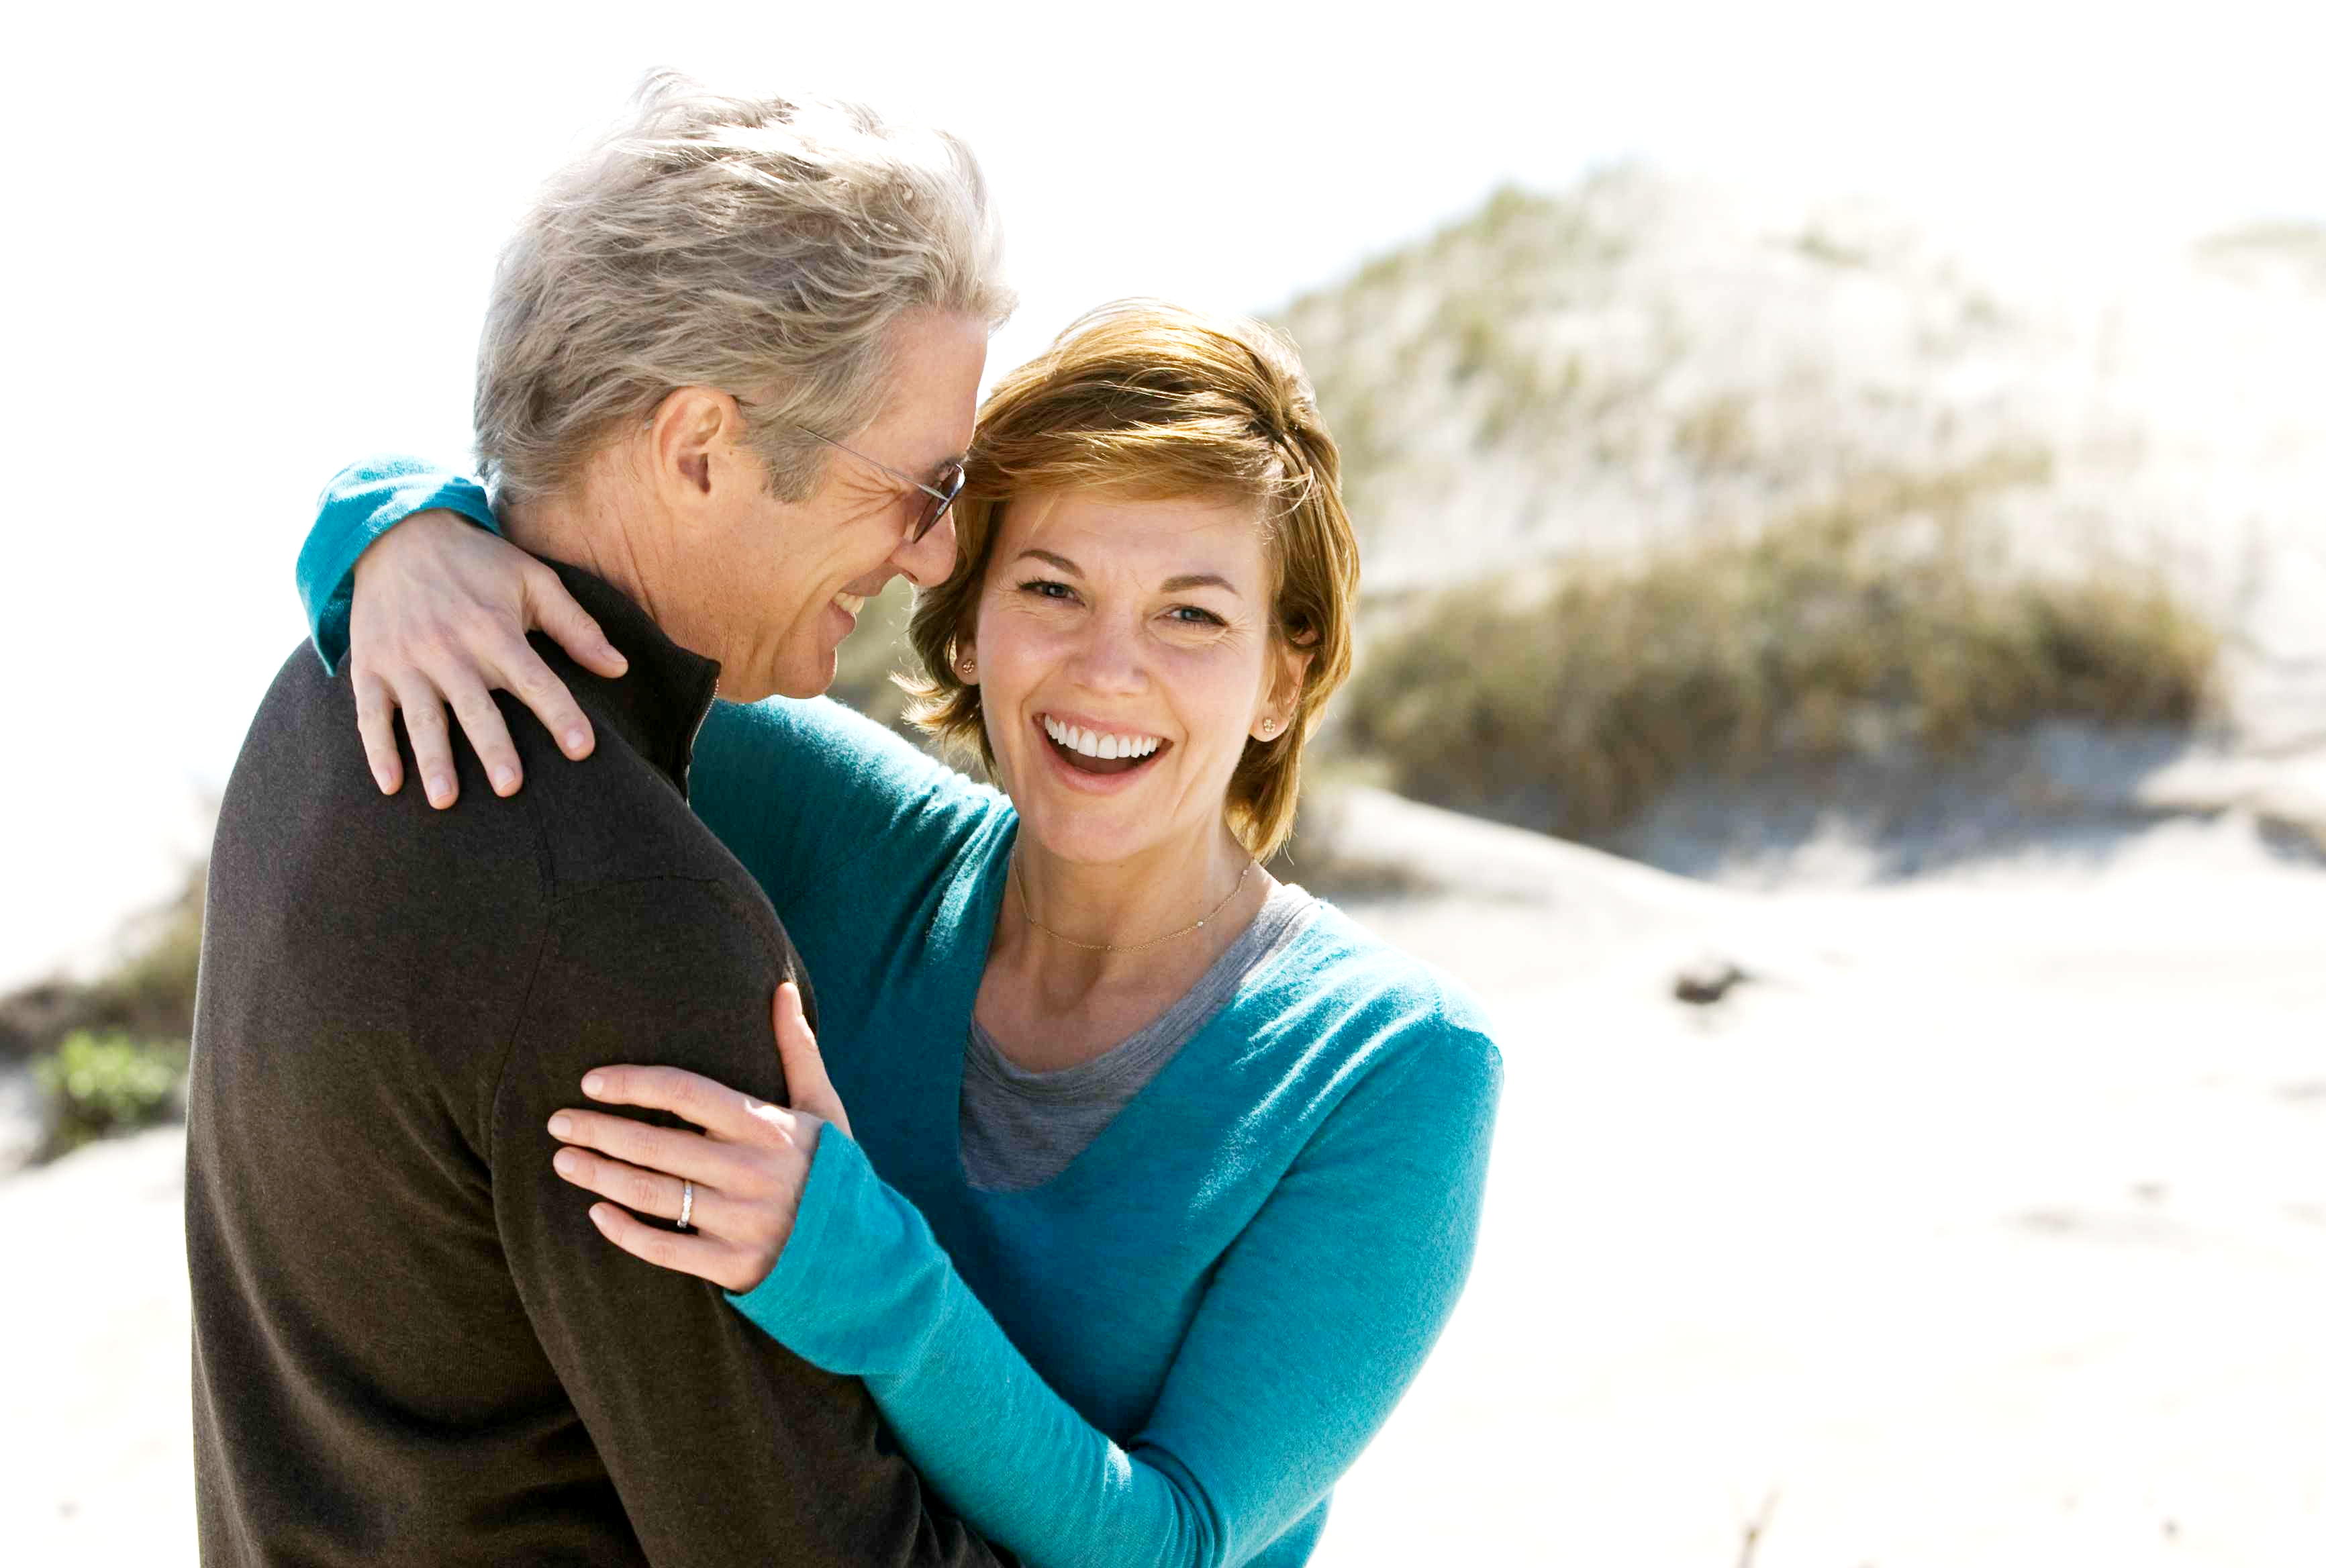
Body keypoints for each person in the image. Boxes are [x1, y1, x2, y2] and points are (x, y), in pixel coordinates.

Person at [294, 299, 1504, 1567]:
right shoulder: (844, 830)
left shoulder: (1395, 1067)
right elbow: (556, 549)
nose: (1107, 671)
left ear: (1282, 676)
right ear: (969, 619)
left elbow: (1175, 1539)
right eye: (1051, 589)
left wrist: (862, 1269)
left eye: (1192, 615)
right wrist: (395, 532)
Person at [187, 75, 1020, 1566]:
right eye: (921, 488)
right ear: (699, 447)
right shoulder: (626, 919)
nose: (936, 555)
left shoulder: (329, 686)